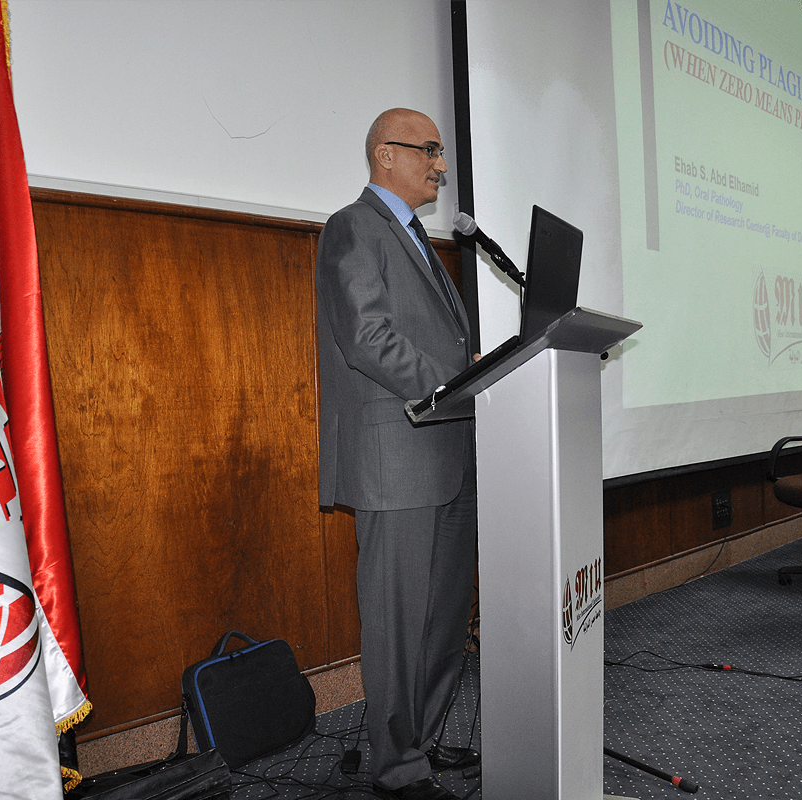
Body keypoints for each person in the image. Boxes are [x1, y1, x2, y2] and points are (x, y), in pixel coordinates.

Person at [315, 108, 479, 800]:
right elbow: (367, 338)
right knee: (397, 624)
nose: (441, 165)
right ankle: (396, 768)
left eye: (440, 152)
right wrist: (457, 386)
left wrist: (469, 380)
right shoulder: (353, 227)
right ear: (386, 154)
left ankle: (421, 740)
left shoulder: (418, 239)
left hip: (448, 450)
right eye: (430, 151)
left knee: (443, 619)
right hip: (397, 459)